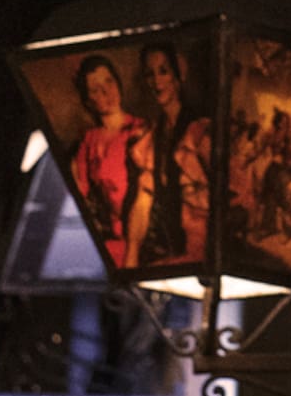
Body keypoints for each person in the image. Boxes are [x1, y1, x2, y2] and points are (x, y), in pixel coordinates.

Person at [68, 54, 151, 269]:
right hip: (108, 239)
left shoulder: (139, 131)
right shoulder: (89, 139)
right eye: (96, 89)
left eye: (109, 82)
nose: (106, 92)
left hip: (141, 239)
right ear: (88, 100)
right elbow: (79, 190)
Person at [135, 42, 212, 263]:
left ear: (178, 74)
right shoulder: (154, 133)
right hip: (170, 241)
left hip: (199, 244)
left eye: (163, 71)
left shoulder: (199, 128)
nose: (157, 82)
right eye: (150, 74)